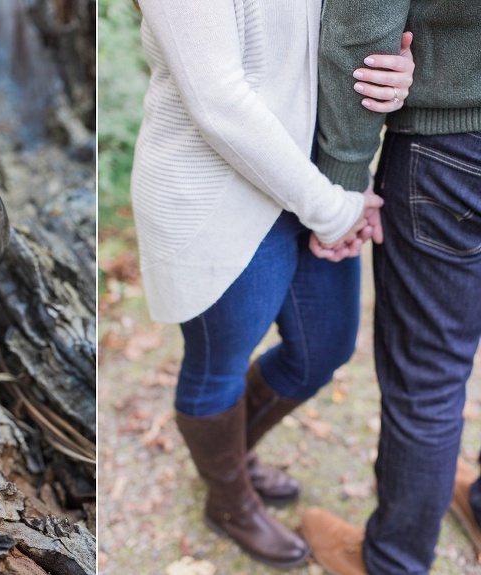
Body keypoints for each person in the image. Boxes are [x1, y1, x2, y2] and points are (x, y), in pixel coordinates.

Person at [128, 0, 414, 569]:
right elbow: (218, 102)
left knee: (323, 349)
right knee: (218, 368)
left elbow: (335, 40)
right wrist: (334, 208)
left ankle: (230, 455)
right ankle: (228, 500)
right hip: (217, 194)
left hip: (309, 180)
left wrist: (396, 73)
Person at [299, 2, 481, 574]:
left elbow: (364, 29)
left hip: (452, 145)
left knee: (428, 380)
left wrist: (341, 183)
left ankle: (392, 565)